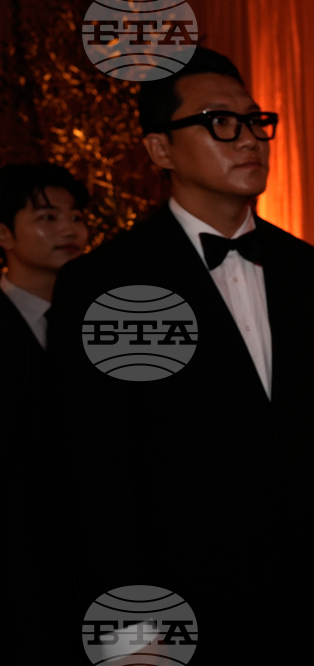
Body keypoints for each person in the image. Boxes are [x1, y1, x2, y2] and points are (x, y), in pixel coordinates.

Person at [44, 48, 314, 663]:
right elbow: (94, 473)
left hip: (304, 608)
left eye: (255, 121)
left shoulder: (303, 268)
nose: (248, 140)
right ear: (159, 150)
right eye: (219, 122)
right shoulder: (106, 282)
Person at [0, 162, 90, 665]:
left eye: (76, 216)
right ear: (4, 234)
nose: (69, 230)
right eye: (48, 217)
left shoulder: (98, 320)